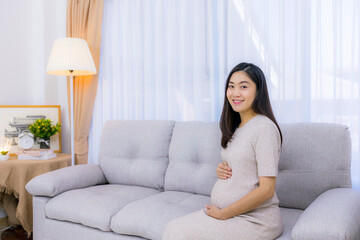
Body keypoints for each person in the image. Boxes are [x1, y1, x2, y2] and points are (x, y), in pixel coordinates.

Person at [162, 62, 283, 240]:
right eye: (231, 86)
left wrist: (224, 213)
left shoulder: (264, 128)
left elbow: (267, 190)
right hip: (231, 215)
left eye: (244, 86)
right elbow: (245, 165)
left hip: (255, 220)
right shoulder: (238, 127)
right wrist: (223, 169)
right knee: (172, 229)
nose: (235, 93)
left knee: (176, 233)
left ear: (258, 91)